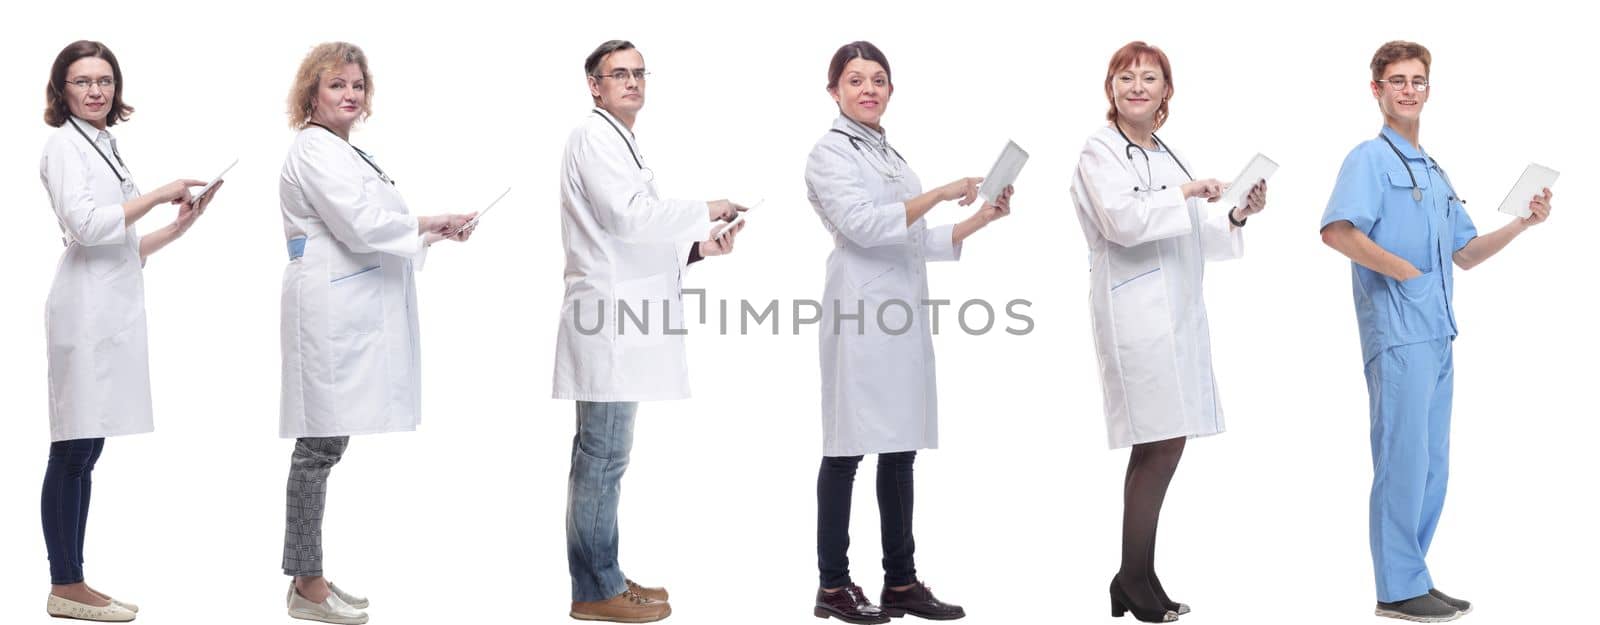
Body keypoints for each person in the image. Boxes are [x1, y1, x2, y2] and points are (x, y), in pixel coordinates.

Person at [1319, 40, 1553, 623]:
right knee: (1401, 458)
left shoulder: (1433, 169)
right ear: (1376, 90)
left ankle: (1413, 576)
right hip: (1398, 330)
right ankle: (1395, 587)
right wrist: (1406, 273)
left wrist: (1523, 222)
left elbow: (1467, 254)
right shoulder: (1369, 159)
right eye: (1395, 80)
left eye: (1417, 80)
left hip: (1438, 331)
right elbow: (1336, 231)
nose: (1407, 89)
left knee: (1430, 463)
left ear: (1428, 88)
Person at [804, 40, 1013, 625]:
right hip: (861, 312)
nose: (868, 89)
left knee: (900, 449)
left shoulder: (891, 156)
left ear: (890, 90)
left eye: (878, 80)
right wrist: (943, 192)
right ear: (834, 92)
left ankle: (900, 582)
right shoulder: (829, 154)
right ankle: (833, 584)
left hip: (900, 313)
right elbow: (867, 227)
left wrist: (979, 218)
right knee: (846, 447)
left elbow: (912, 237)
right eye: (854, 80)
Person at [1068, 41, 1268, 624]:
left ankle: (1139, 574)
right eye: (1125, 77)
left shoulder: (1164, 150)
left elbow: (1188, 232)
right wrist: (1186, 192)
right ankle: (1132, 576)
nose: (1136, 86)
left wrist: (1234, 213)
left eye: (1148, 78)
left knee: (1161, 441)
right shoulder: (1099, 150)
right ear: (1111, 88)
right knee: (1158, 442)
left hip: (1174, 314)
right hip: (1134, 317)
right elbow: (1125, 222)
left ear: (1165, 92)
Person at [277, 41, 476, 625]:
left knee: (326, 443)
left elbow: (378, 223)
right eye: (336, 85)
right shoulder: (314, 150)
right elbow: (362, 226)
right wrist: (422, 227)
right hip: (329, 312)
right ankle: (304, 584)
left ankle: (311, 575)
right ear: (311, 92)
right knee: (317, 446)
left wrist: (433, 229)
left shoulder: (347, 152)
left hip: (350, 306)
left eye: (357, 85)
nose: (349, 94)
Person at [552, 39, 748, 624]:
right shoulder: (593, 136)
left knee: (608, 456)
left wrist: (697, 249)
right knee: (601, 457)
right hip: (607, 321)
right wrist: (705, 205)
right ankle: (594, 589)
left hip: (622, 317)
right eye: (619, 74)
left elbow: (630, 240)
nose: (633, 82)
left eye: (639, 73)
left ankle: (604, 574)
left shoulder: (620, 141)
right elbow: (627, 219)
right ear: (595, 83)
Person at [38, 39, 223, 623]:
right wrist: (161, 191)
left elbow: (124, 246)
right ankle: (64, 582)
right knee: (71, 448)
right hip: (82, 311)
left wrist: (180, 224)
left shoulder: (104, 144)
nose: (96, 91)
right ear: (61, 92)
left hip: (108, 307)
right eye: (82, 82)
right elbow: (90, 228)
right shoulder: (63, 146)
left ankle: (75, 580)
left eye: (104, 80)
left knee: (87, 449)